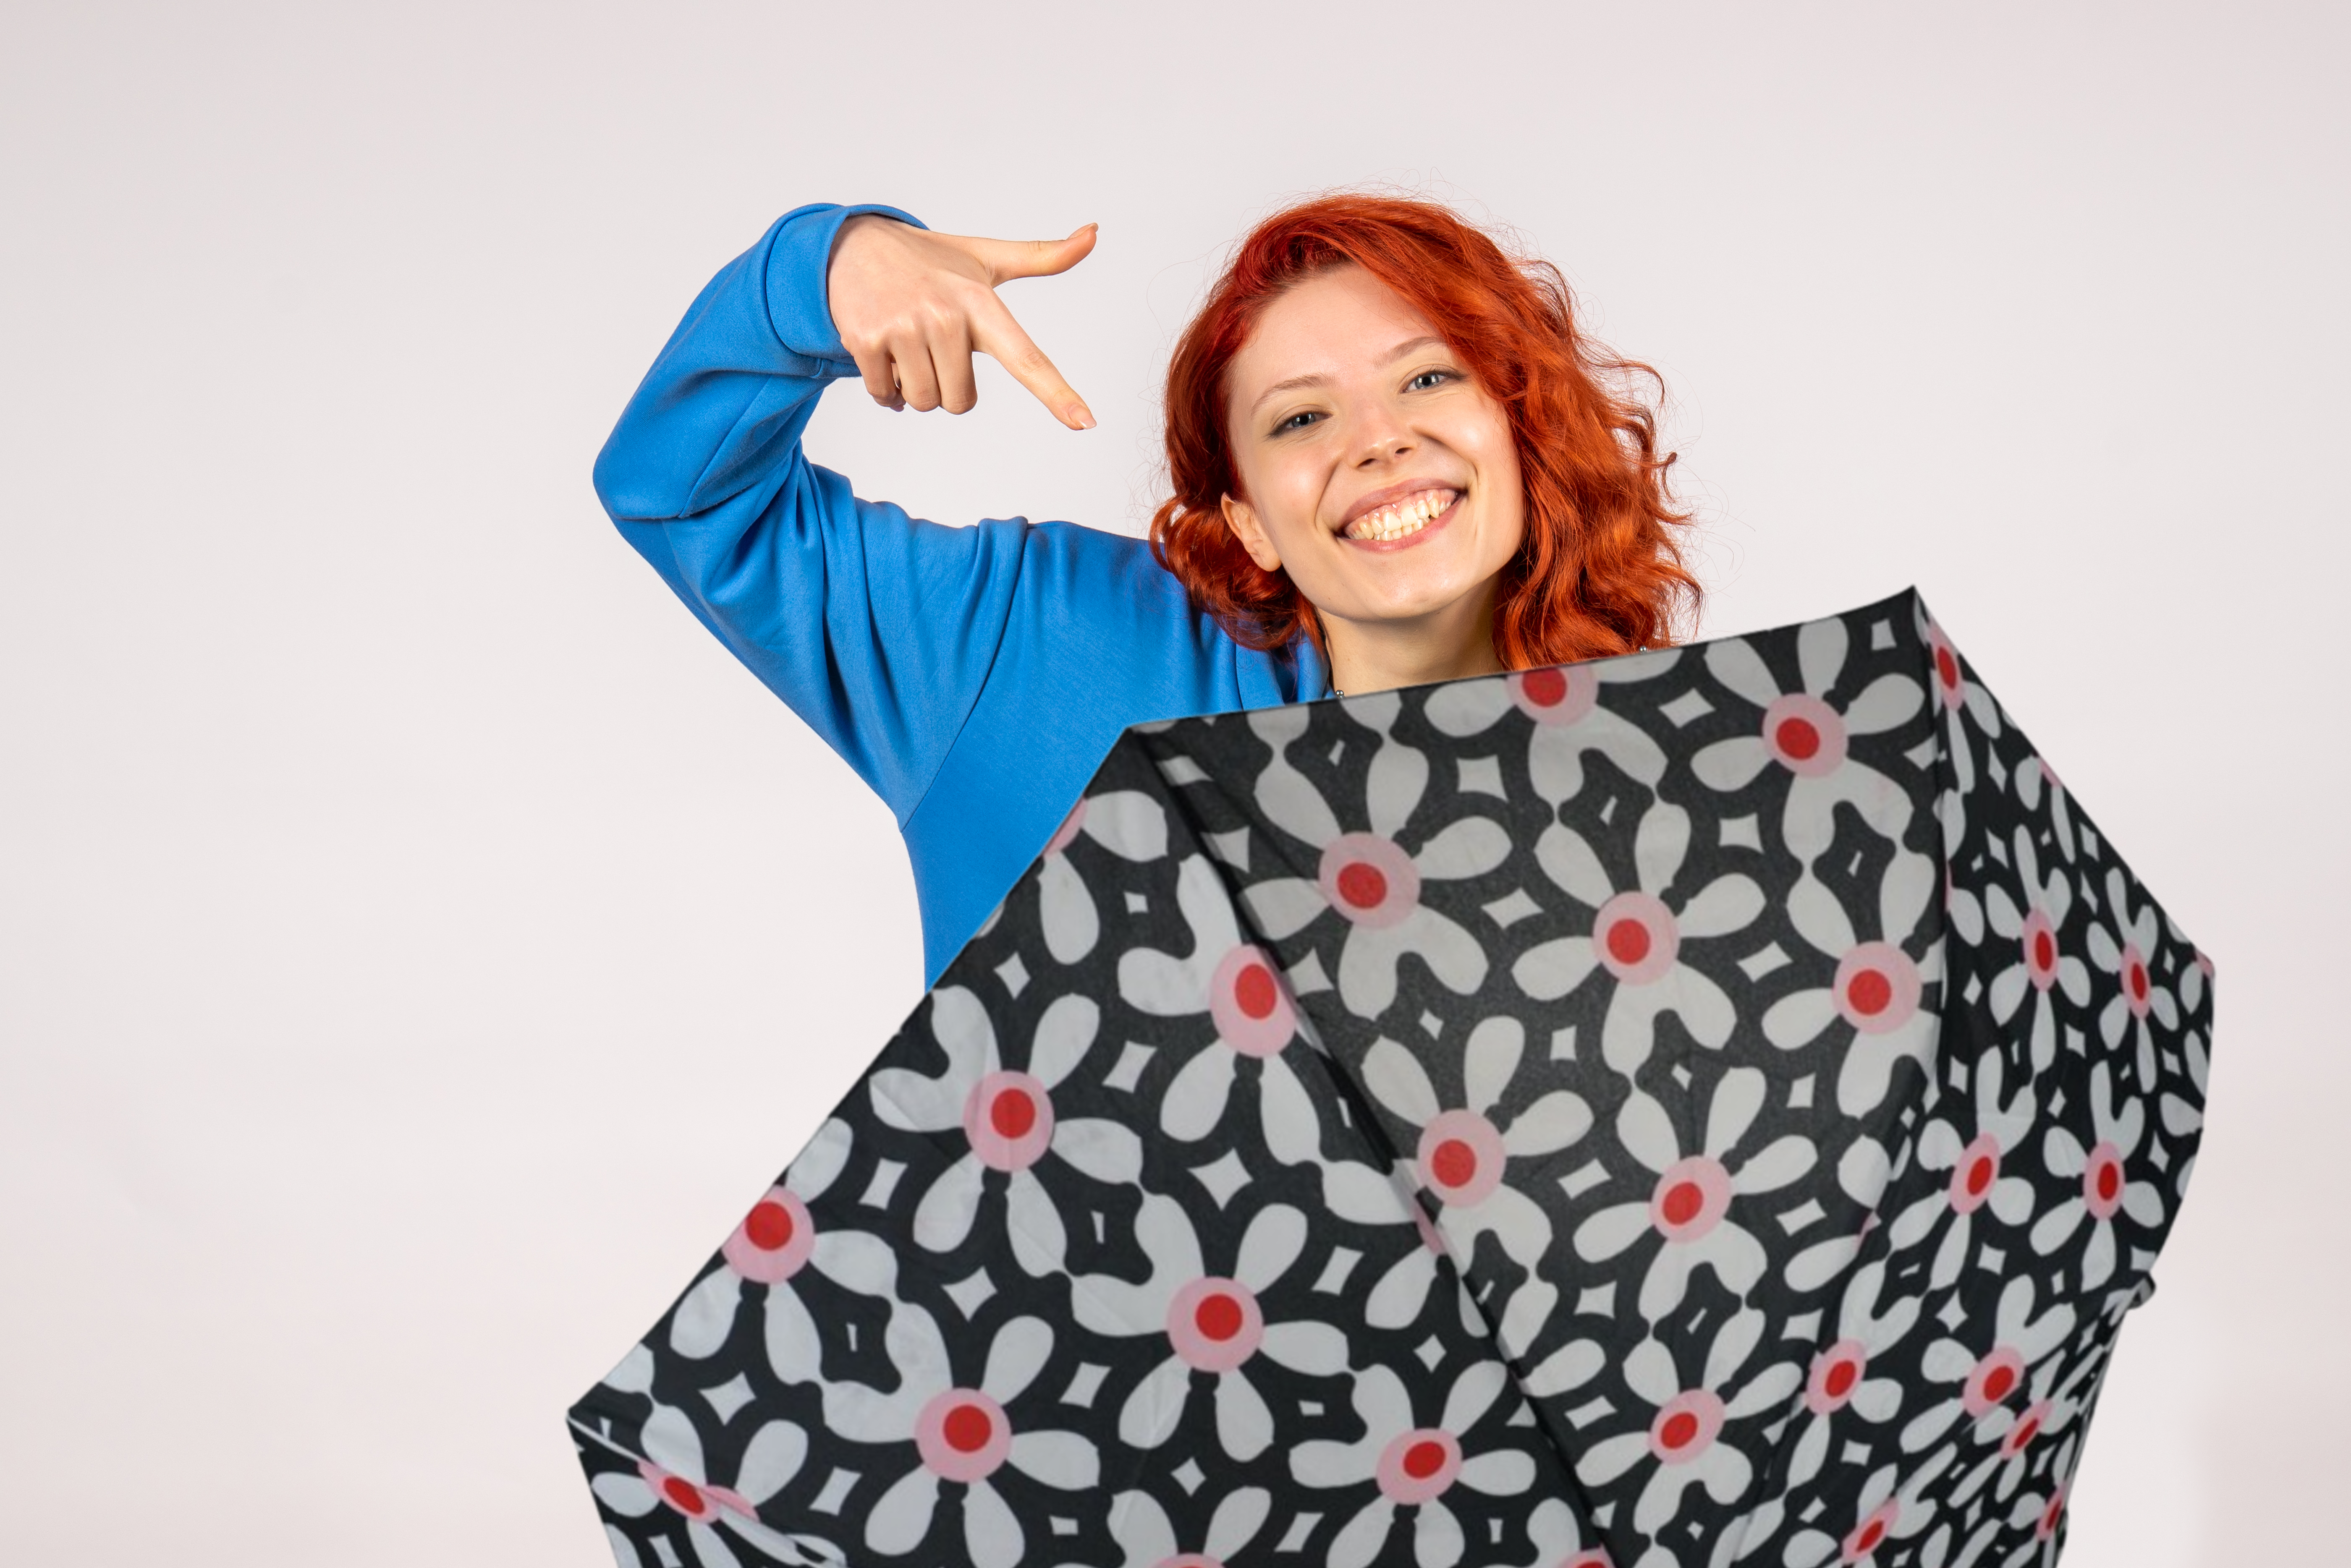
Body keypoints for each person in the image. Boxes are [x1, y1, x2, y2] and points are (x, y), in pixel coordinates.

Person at [592, 197, 1699, 987]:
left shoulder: (1671, 823)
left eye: (1427, 377)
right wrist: (824, 273)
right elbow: (685, 497)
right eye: (1302, 417)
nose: (1381, 441)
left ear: (1519, 428)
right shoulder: (1034, 651)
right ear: (1250, 519)